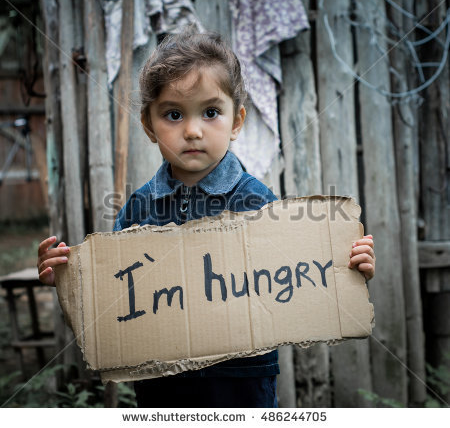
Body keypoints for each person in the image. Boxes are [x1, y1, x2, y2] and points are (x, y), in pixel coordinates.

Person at [37, 30, 376, 407]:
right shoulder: (139, 207)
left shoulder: (257, 201)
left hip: (240, 389)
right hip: (162, 387)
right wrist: (71, 283)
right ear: (149, 125)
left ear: (236, 121)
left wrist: (346, 269)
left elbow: (299, 277)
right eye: (174, 114)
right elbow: (114, 294)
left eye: (211, 112)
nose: (193, 130)